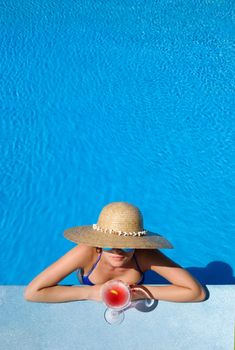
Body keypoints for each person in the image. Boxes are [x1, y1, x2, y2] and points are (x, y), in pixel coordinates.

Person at [24, 202, 206, 303]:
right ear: (98, 244)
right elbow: (33, 292)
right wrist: (90, 293)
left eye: (126, 245)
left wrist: (139, 292)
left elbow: (196, 292)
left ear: (137, 245)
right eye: (109, 245)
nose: (117, 251)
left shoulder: (144, 255)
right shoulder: (86, 252)